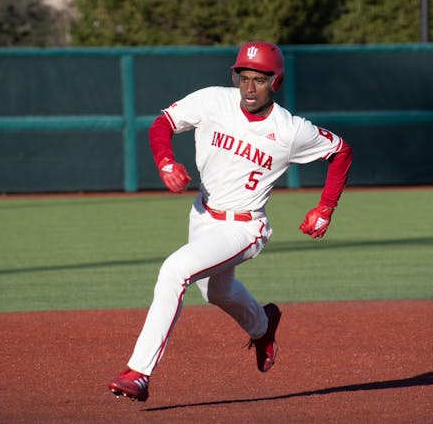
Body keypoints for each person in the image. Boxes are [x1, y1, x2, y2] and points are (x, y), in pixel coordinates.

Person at [108, 41, 353, 402]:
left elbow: (341, 151)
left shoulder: (290, 130)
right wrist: (164, 163)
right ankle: (262, 327)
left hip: (244, 227)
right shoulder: (212, 101)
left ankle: (138, 373)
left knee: (175, 270)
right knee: (216, 291)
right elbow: (162, 125)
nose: (249, 88)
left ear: (277, 82)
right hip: (203, 214)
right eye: (243, 77)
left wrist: (326, 208)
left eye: (259, 80)